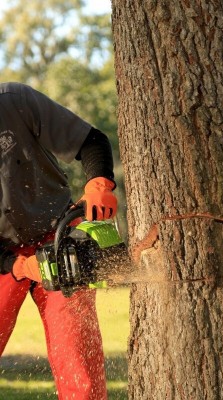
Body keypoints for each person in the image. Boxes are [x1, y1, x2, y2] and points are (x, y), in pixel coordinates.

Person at [0, 82, 118, 399]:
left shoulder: (15, 101)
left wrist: (99, 184)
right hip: (3, 256)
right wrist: (18, 266)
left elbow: (92, 141)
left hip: (58, 237)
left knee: (77, 356)